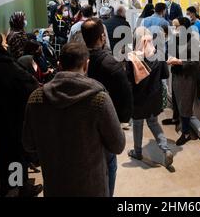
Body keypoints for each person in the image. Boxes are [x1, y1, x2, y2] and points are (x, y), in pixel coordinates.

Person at [23, 43, 125, 197]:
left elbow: (28, 144)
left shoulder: (36, 98)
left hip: (55, 187)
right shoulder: (99, 98)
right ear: (86, 65)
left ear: (59, 65)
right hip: (92, 187)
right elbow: (118, 145)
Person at [0, 32, 42, 197]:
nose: (6, 45)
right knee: (16, 155)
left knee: (1, 151)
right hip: (12, 120)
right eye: (4, 42)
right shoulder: (7, 66)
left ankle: (7, 184)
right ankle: (21, 187)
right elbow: (29, 85)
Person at [81, 18, 133, 196]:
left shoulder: (77, 61)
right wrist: (119, 119)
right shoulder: (111, 64)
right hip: (105, 124)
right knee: (108, 166)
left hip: (81, 124)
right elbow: (126, 96)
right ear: (102, 37)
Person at [126, 27, 173, 167]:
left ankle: (138, 152)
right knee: (153, 123)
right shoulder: (158, 54)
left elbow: (128, 81)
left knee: (138, 124)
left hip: (138, 98)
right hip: (154, 96)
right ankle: (165, 150)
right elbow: (165, 75)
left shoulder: (132, 57)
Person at [167, 17, 200, 146]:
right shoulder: (175, 39)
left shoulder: (192, 41)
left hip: (187, 77)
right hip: (177, 74)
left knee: (185, 103)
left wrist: (180, 61)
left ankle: (186, 133)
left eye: (177, 26)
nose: (174, 29)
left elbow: (195, 62)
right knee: (177, 100)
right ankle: (175, 119)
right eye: (173, 26)